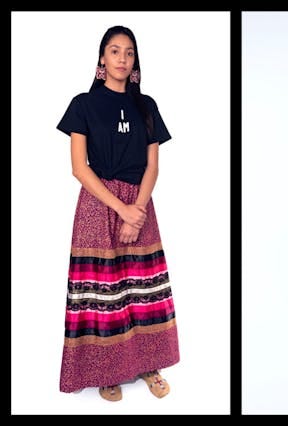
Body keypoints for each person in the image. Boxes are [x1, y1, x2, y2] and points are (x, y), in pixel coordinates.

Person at [58, 25, 176, 402]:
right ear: (101, 60)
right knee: (103, 291)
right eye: (114, 51)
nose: (122, 59)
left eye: (129, 53)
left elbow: (153, 165)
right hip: (98, 204)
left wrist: (136, 210)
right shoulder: (83, 105)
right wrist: (121, 208)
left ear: (135, 62)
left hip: (140, 203)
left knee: (142, 288)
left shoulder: (147, 106)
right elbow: (79, 167)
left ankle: (147, 363)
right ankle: (107, 370)